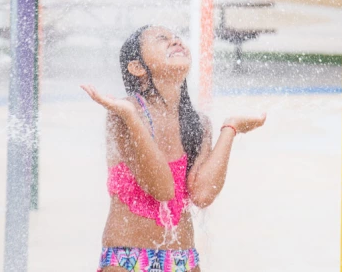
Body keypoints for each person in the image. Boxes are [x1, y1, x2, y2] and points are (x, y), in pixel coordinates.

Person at [81, 25, 266, 272]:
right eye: (162, 39)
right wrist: (132, 118)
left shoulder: (197, 124)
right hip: (128, 258)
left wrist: (230, 130)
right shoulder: (123, 113)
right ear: (137, 68)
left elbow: (202, 195)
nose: (175, 41)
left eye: (177, 37)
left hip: (183, 259)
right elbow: (162, 188)